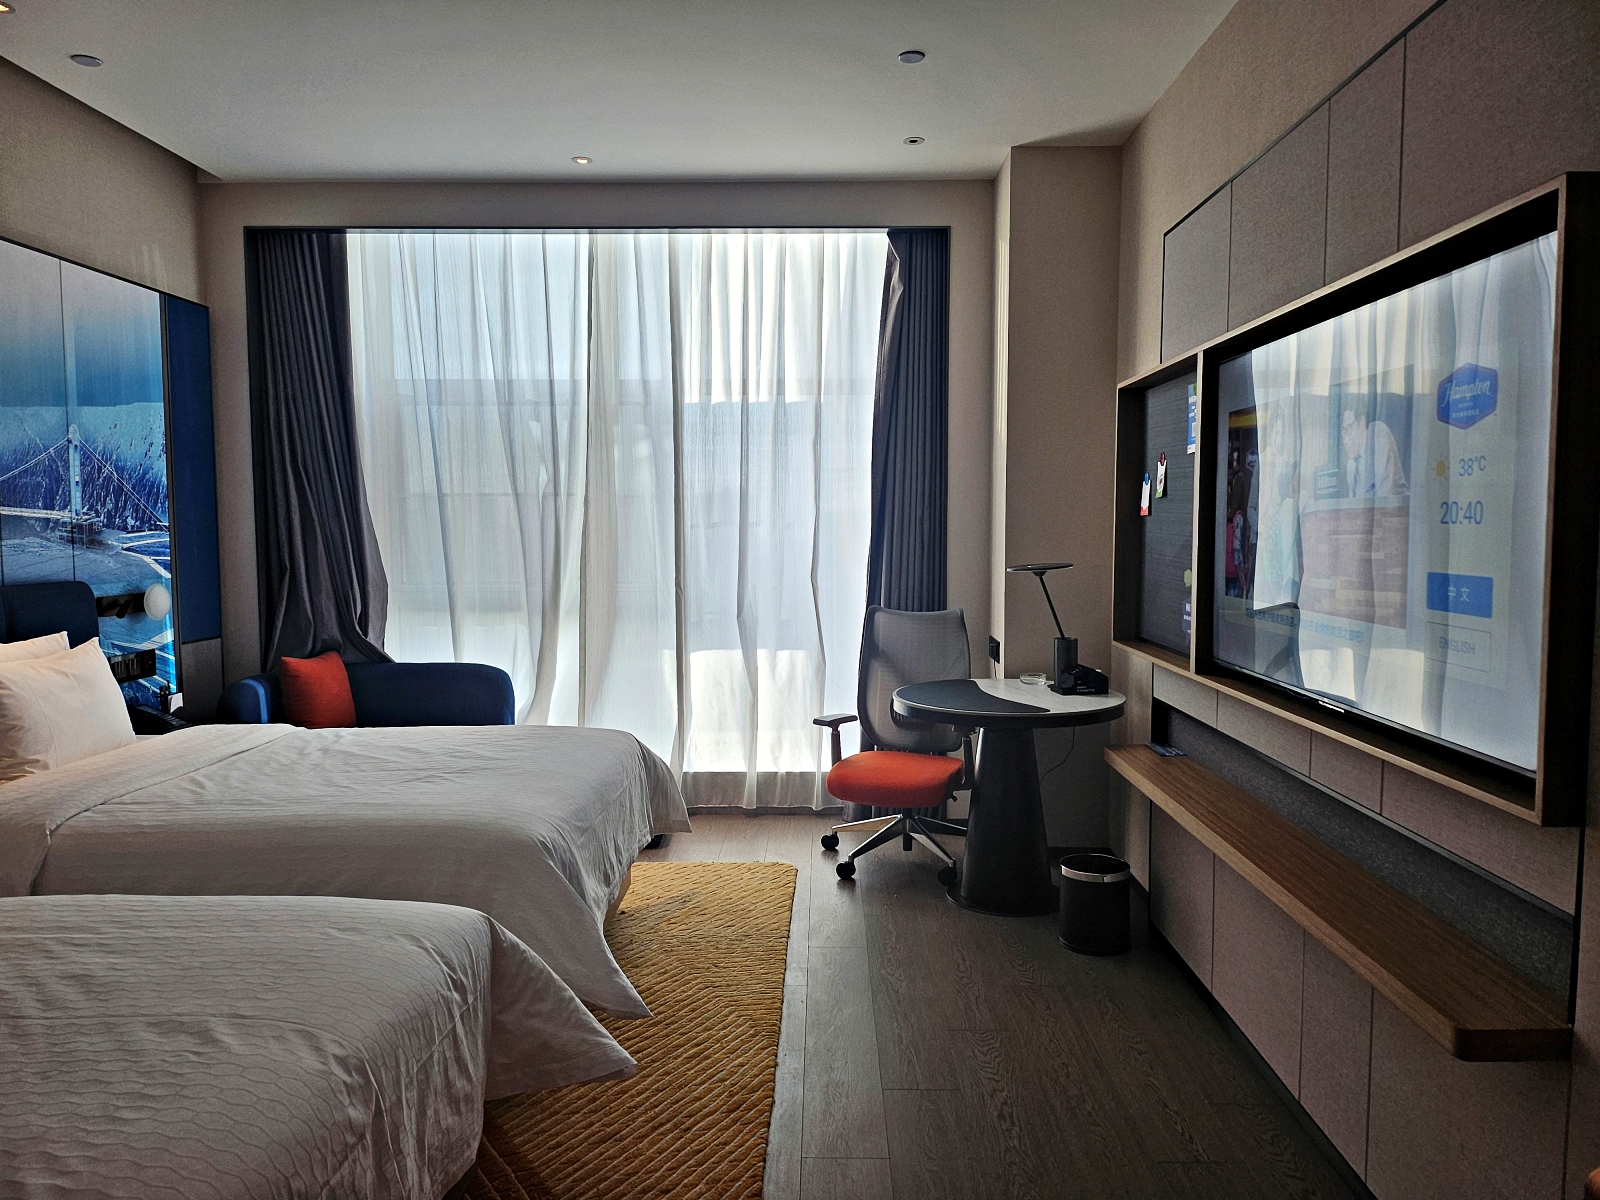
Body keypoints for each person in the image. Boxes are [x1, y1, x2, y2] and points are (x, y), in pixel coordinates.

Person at [1341, 406, 1407, 498]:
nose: (1346, 439)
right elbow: (1352, 500)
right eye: (1344, 431)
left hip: (1395, 505)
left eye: (1349, 428)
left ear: (1362, 422)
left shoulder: (1377, 433)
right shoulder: (1352, 460)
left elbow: (1383, 492)